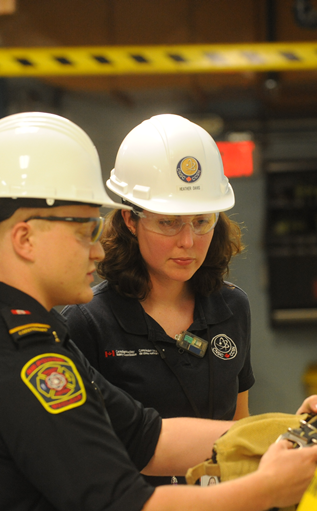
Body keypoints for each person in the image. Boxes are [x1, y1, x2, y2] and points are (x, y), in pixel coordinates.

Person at [0, 111, 317, 511]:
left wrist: (289, 432)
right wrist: (268, 488)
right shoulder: (21, 364)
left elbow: (147, 438)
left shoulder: (15, 333)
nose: (97, 250)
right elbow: (128, 504)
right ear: (25, 239)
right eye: (84, 232)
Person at [62, 115, 251, 456]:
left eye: (202, 221)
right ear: (130, 220)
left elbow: (239, 426)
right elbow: (77, 453)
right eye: (168, 223)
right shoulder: (87, 323)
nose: (188, 241)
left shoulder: (233, 308)